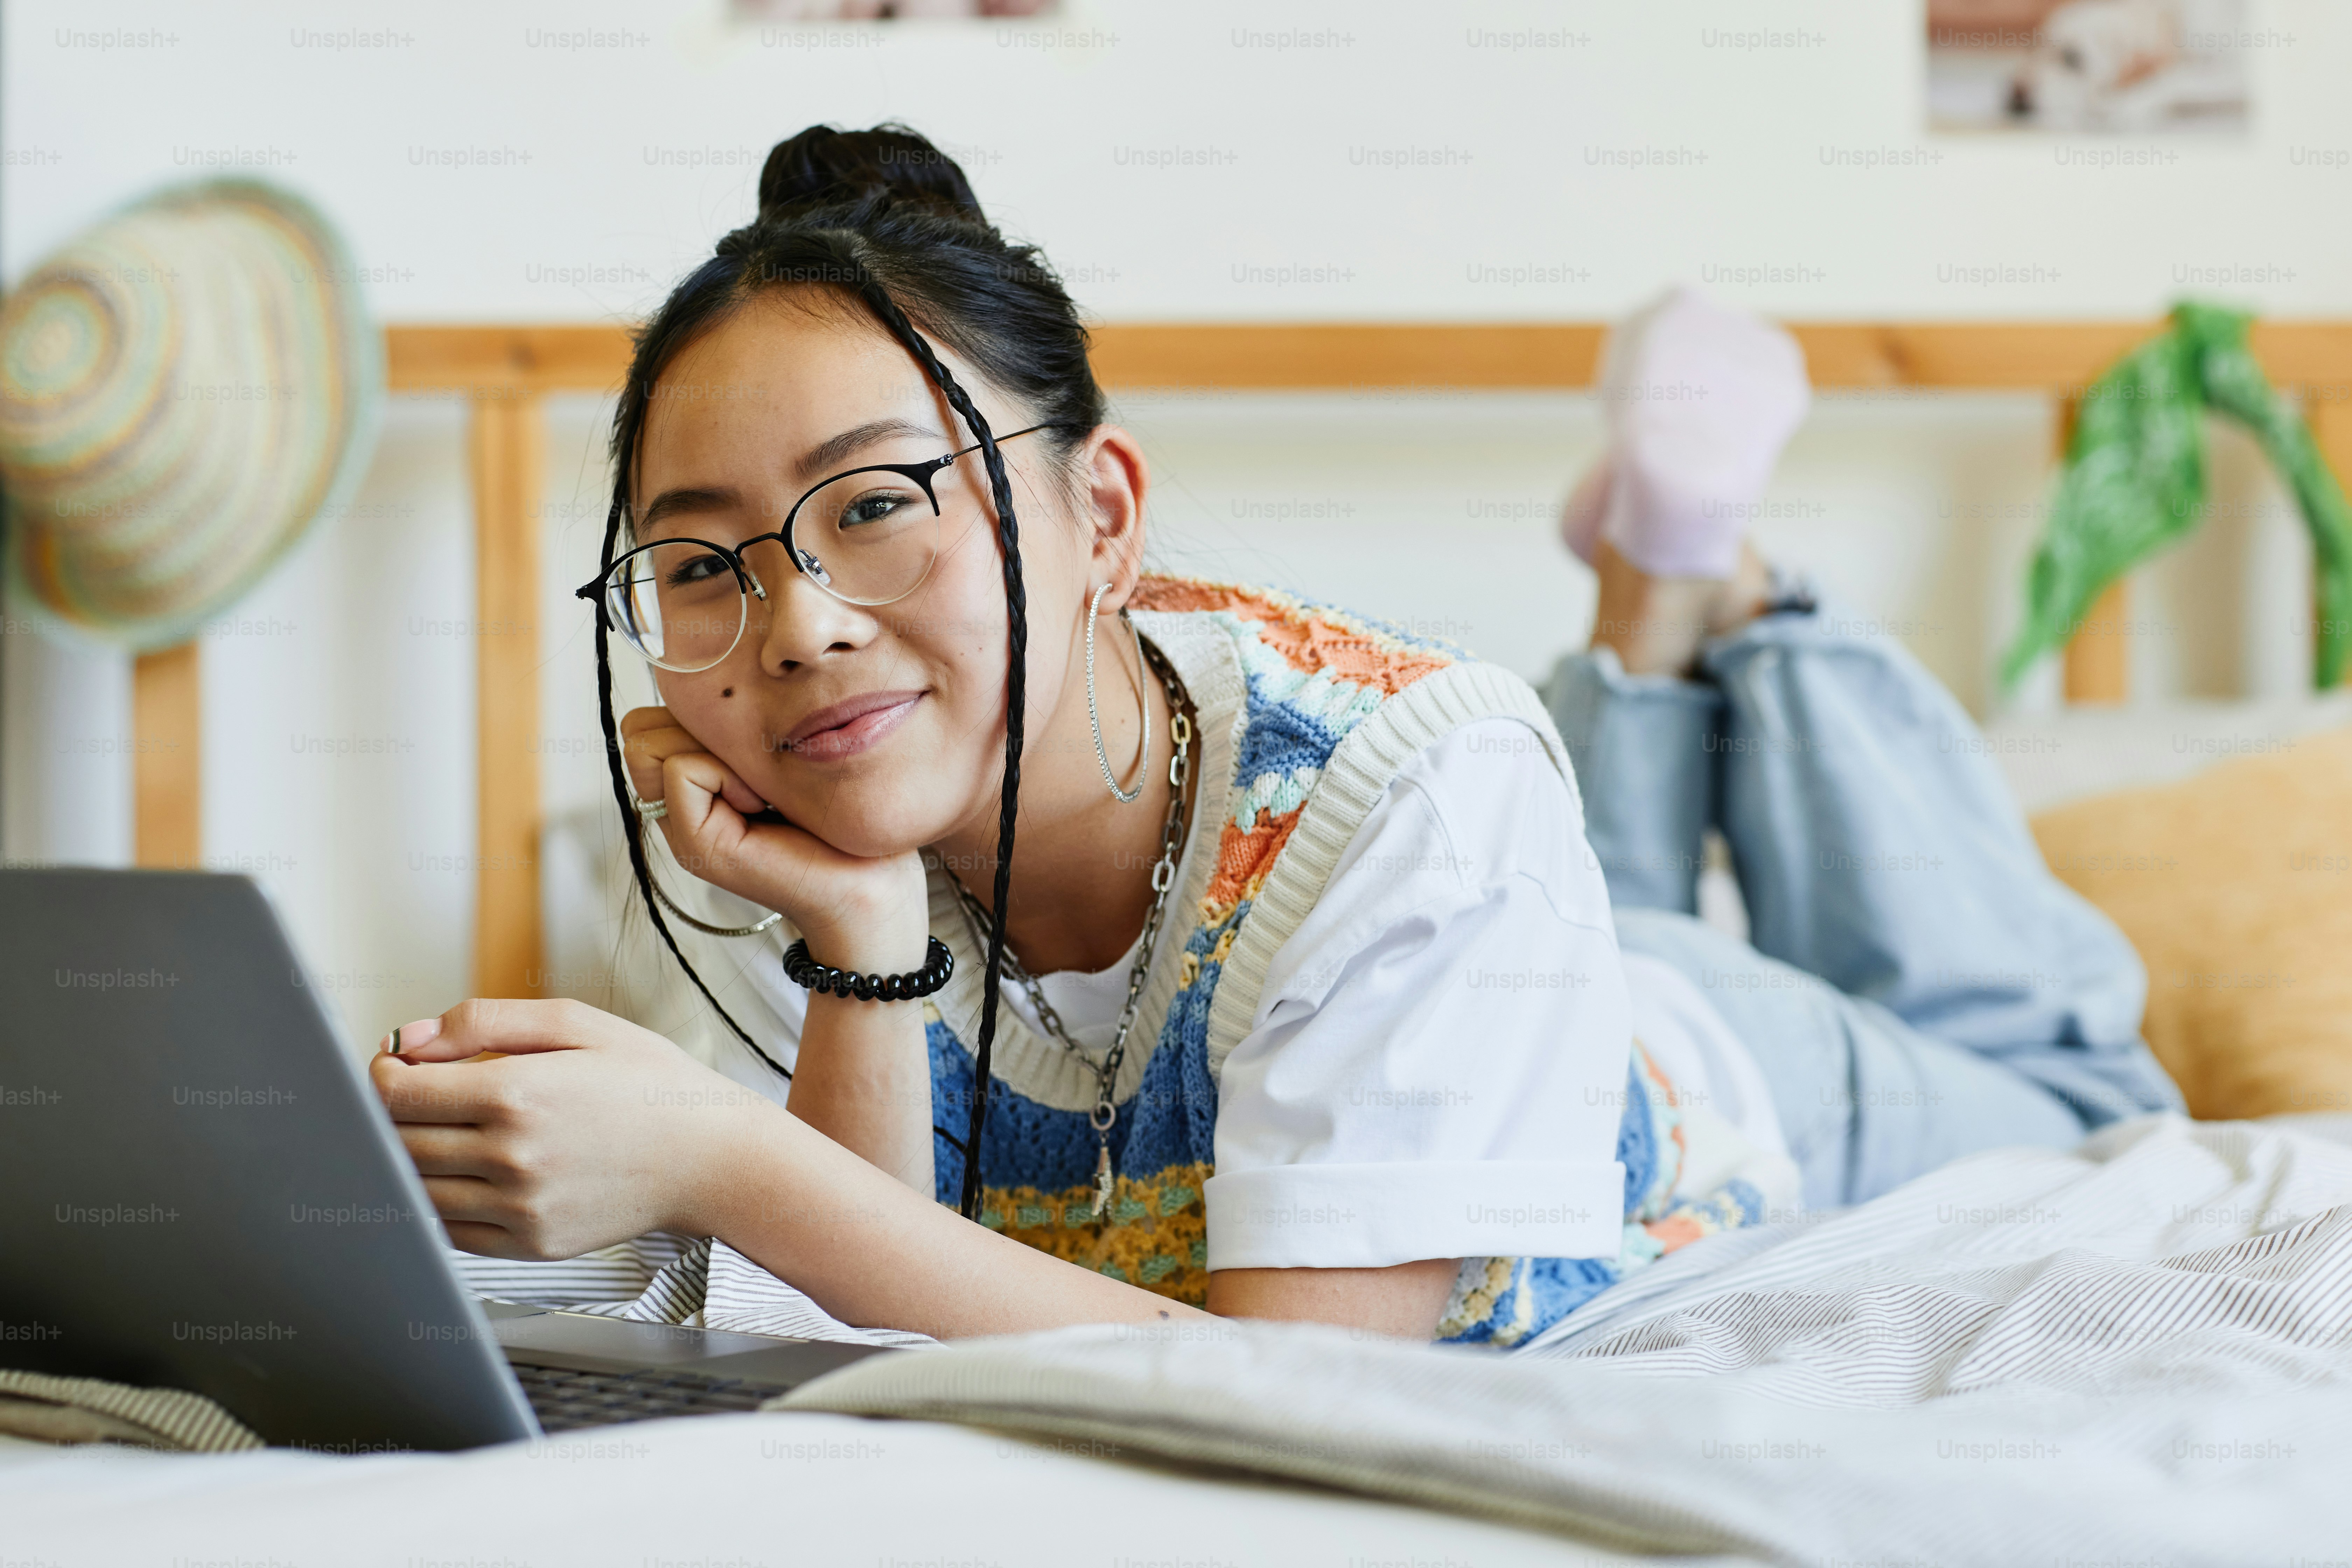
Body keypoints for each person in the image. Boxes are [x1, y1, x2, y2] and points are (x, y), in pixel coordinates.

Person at [371, 126, 2181, 1351]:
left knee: (2087, 1096)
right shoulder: (744, 843)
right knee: (1573, 889)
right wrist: (860, 943)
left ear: (1103, 517)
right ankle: (1654, 601)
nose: (796, 625)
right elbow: (858, 1361)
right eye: (703, 564)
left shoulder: (1416, 780)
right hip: (1460, 993)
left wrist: (724, 1159)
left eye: (878, 504)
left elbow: (1316, 1393)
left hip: (1702, 1068)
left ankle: (1715, 581)